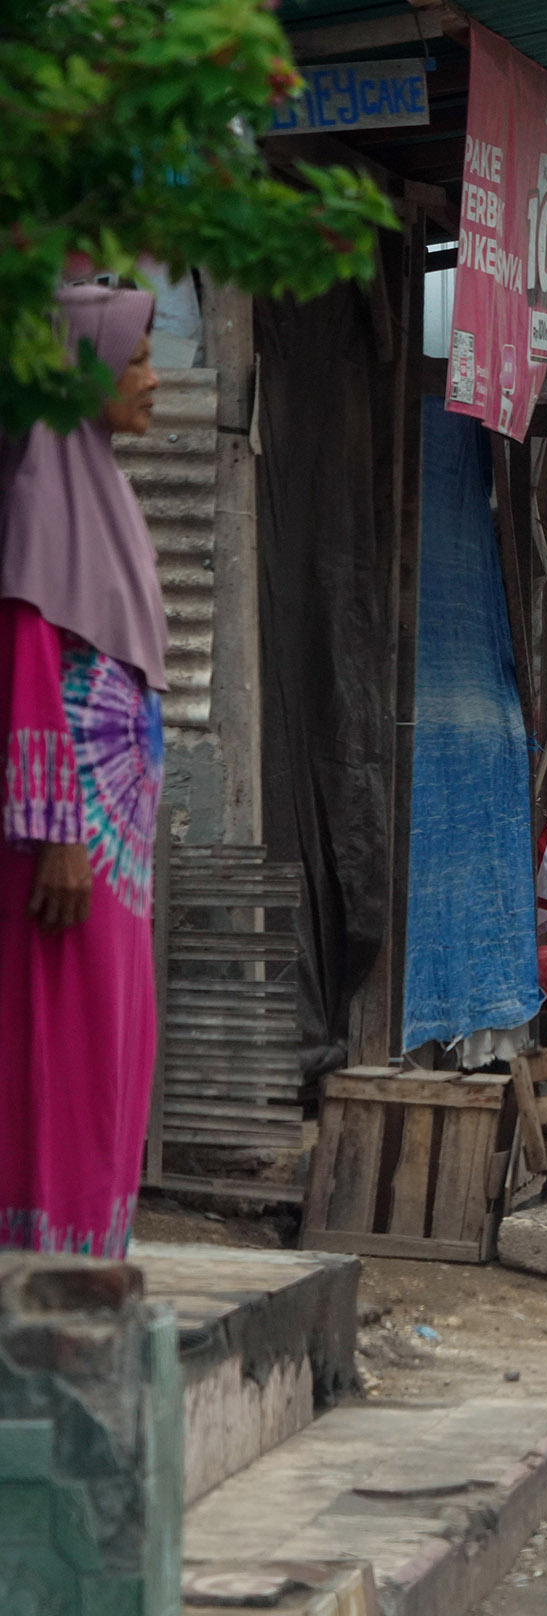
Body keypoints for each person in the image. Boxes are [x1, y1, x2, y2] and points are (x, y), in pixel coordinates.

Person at [1, 282, 166, 1257]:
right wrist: (59, 831)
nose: (151, 378)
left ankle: (94, 1258)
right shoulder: (37, 498)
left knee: (110, 1046)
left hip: (116, 857)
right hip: (62, 853)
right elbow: (26, 666)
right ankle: (45, 1271)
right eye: (134, 357)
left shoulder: (101, 497)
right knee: (54, 1050)